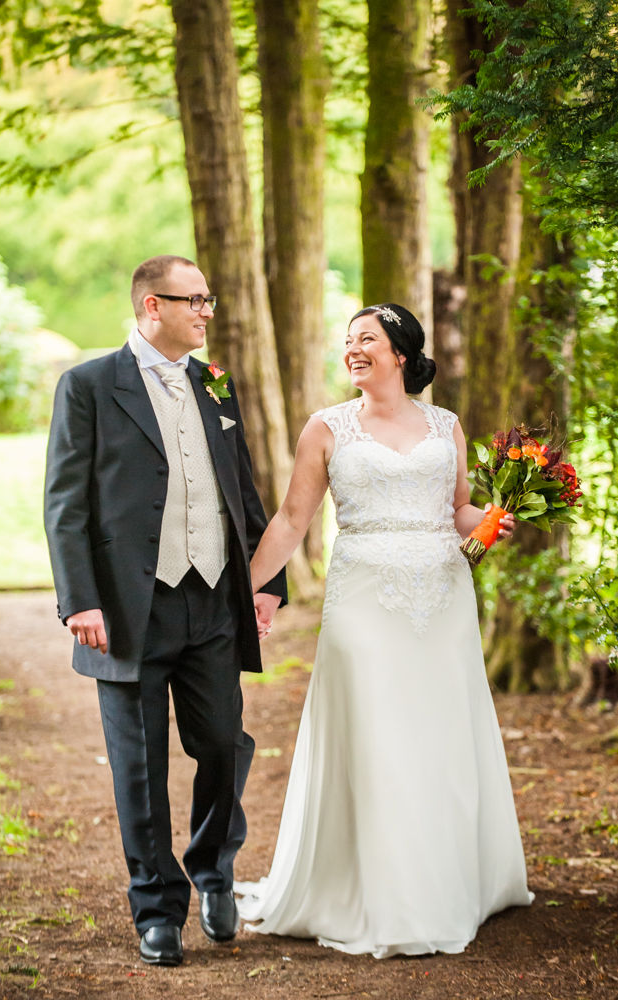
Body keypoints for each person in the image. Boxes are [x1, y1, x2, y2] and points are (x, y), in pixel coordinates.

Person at [235, 303, 533, 958]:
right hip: (362, 598)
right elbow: (291, 518)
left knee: (437, 733)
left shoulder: (444, 425)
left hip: (443, 599)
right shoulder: (325, 427)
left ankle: (449, 879)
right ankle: (378, 891)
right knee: (375, 731)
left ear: (400, 352)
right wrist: (250, 589)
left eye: (366, 339)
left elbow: (456, 510)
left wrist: (487, 521)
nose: (353, 349)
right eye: (347, 341)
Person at [44, 255, 286, 967]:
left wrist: (266, 581)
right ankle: (156, 906)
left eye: (209, 299)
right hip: (124, 608)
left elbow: (240, 486)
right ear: (153, 306)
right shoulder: (88, 385)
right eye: (195, 300)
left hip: (212, 598)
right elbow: (65, 503)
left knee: (221, 744)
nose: (207, 311)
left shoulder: (214, 383)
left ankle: (213, 870)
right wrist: (78, 599)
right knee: (139, 764)